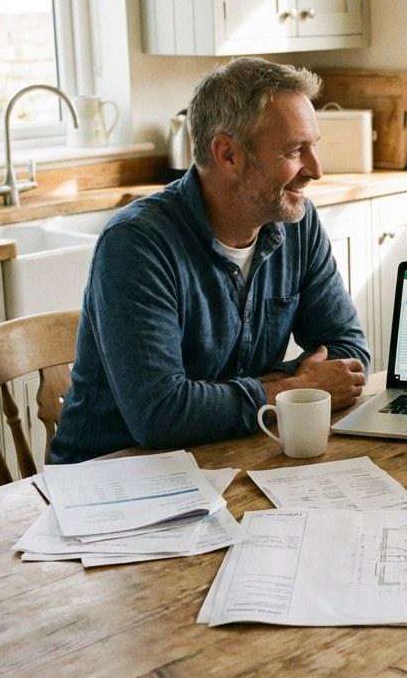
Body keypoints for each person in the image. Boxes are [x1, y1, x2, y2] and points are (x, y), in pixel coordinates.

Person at [48, 58, 369, 465]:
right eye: (293, 150)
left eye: (313, 147)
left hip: (225, 457)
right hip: (112, 477)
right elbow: (160, 416)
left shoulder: (297, 225)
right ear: (228, 154)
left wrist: (230, 401)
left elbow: (349, 354)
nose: (316, 170)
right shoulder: (135, 244)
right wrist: (290, 390)